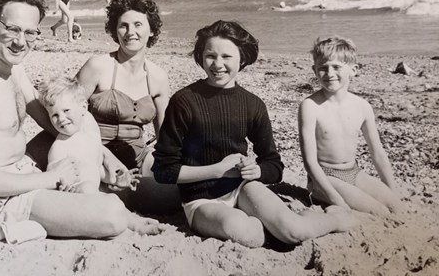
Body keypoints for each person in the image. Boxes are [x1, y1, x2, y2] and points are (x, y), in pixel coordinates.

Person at [0, 0, 164, 242]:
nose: (20, 41)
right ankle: (116, 211)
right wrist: (51, 178)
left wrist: (105, 156)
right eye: (11, 29)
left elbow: (52, 123)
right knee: (112, 213)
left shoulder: (12, 68)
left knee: (80, 122)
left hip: (23, 172)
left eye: (30, 32)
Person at [152, 20, 358, 248]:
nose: (217, 64)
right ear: (200, 56)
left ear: (242, 58)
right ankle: (279, 224)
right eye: (210, 55)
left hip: (243, 188)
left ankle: (333, 219)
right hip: (200, 200)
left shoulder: (252, 104)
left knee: (294, 232)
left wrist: (257, 170)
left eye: (227, 57)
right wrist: (217, 171)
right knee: (247, 233)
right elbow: (163, 170)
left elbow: (274, 166)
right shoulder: (184, 101)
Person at [75, 0, 180, 213]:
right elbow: (67, 115)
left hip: (138, 157)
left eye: (138, 25)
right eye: (123, 25)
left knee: (178, 195)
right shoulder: (98, 66)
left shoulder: (158, 77)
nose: (130, 32)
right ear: (115, 30)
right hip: (95, 155)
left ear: (151, 30)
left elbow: (165, 138)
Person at [298, 36, 403, 215]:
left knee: (396, 207)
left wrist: (392, 190)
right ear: (314, 70)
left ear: (353, 70)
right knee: (379, 212)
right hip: (323, 177)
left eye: (336, 67)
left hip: (353, 172)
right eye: (323, 68)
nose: (329, 73)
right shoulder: (310, 106)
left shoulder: (362, 106)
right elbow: (310, 162)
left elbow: (377, 153)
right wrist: (336, 200)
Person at [39, 75, 139, 194]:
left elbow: (94, 168)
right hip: (76, 196)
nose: (61, 119)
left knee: (101, 193)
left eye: (66, 111)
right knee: (88, 189)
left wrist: (114, 179)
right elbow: (52, 175)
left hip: (92, 191)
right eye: (54, 115)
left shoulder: (89, 128)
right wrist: (63, 186)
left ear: (83, 107)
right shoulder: (60, 147)